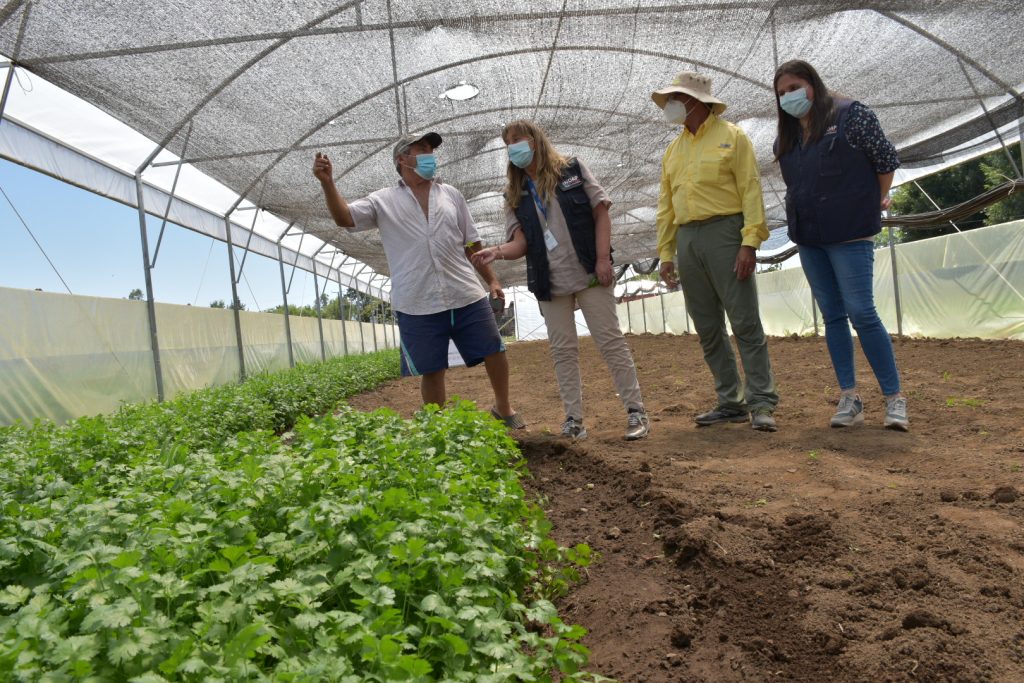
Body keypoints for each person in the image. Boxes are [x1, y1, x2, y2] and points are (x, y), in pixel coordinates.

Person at [313, 132, 524, 428]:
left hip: (465, 291)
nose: (430, 155)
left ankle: (504, 407)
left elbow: (471, 243)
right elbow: (345, 218)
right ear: (402, 159)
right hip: (416, 301)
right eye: (422, 149)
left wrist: (492, 280)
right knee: (432, 368)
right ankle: (438, 426)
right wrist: (328, 183)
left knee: (494, 349)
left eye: (431, 150)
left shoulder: (451, 194)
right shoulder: (383, 201)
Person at [470, 120, 650, 441]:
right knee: (563, 350)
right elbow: (521, 243)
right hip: (549, 281)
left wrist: (603, 259)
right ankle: (574, 421)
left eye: (518, 138)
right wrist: (495, 252)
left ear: (535, 139)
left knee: (610, 342)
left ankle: (636, 411)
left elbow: (601, 212)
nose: (513, 145)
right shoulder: (514, 193)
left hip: (589, 271)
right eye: (508, 142)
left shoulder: (572, 169)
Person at [772, 60, 908, 431]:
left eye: (795, 87)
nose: (789, 96)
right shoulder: (785, 139)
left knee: (862, 312)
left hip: (850, 233)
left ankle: (894, 399)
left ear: (813, 83)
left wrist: (872, 200)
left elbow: (885, 160)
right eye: (782, 92)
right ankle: (850, 398)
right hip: (810, 237)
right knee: (832, 316)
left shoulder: (851, 115)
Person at [651, 71, 779, 432]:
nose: (670, 106)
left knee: (744, 321)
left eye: (675, 98)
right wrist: (666, 253)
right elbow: (666, 205)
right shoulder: (673, 151)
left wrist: (749, 242)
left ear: (693, 101)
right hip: (688, 239)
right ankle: (730, 401)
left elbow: (751, 189)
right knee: (707, 326)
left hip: (726, 232)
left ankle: (762, 402)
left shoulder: (732, 137)